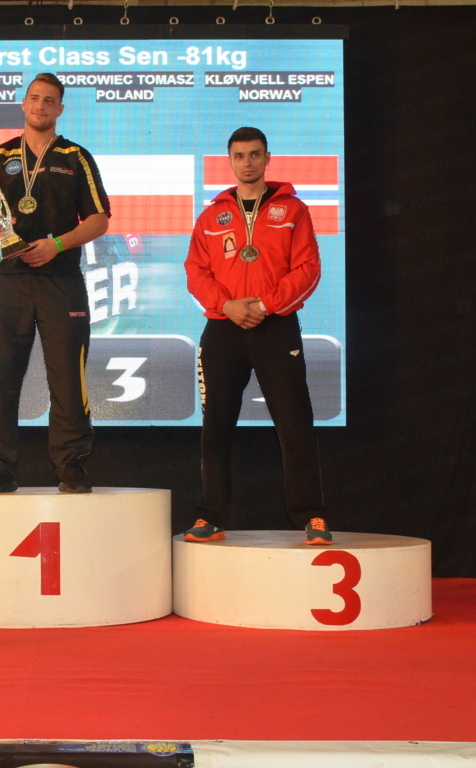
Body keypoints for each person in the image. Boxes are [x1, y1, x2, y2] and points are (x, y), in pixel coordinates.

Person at [183, 126, 331, 544]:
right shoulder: (211, 216)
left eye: (254, 154)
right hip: (223, 327)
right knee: (216, 425)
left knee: (295, 423)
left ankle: (312, 515)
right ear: (230, 161)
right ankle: (210, 516)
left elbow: (308, 268)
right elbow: (196, 271)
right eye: (239, 155)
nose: (246, 162)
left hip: (276, 325)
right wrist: (228, 306)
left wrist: (265, 305)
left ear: (267, 158)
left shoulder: (294, 210)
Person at [0, 73, 111, 494]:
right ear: (23, 104)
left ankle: (71, 467)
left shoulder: (75, 157)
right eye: (34, 98)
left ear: (59, 109)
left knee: (68, 376)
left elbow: (100, 219)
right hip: (8, 279)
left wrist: (58, 244)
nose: (40, 105)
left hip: (60, 279)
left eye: (49, 100)